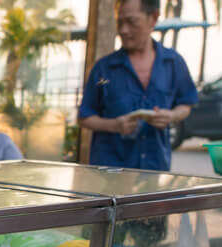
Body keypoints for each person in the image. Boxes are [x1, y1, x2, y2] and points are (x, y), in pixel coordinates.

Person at [78, 0, 198, 171]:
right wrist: (114, 125)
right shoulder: (103, 68)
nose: (123, 30)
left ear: (153, 18)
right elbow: (84, 116)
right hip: (109, 174)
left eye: (132, 22)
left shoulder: (173, 63)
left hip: (155, 171)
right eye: (120, 22)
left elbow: (186, 104)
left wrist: (170, 115)